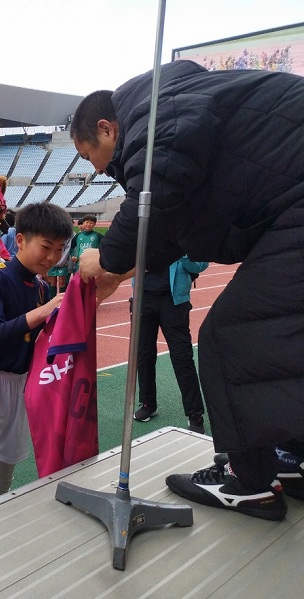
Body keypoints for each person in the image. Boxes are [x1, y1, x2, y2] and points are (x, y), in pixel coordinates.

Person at [71, 59, 304, 520]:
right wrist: (121, 273)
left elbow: (159, 190)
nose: (95, 170)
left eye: (87, 155)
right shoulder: (174, 109)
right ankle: (292, 458)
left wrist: (107, 258)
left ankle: (250, 483)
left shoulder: (157, 113)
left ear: (106, 129)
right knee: (278, 333)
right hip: (289, 204)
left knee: (231, 335)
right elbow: (177, 224)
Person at [0, 202, 71, 508]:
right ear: (20, 240)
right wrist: (44, 312)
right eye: (46, 247)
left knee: (5, 485)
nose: (53, 257)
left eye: (60, 249)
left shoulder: (41, 287)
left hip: (19, 386)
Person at [133, 256, 208, 434]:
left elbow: (200, 264)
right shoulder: (144, 236)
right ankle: (148, 403)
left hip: (174, 302)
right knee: (144, 354)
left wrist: (179, 248)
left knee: (182, 357)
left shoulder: (183, 237)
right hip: (144, 298)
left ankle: (195, 413)